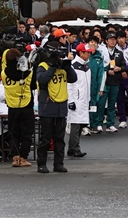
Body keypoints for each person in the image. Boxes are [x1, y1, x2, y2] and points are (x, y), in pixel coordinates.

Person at [36, 41, 78, 174]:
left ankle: (58, 163)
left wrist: (67, 67)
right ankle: (41, 163)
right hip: (47, 107)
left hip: (61, 107)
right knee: (45, 138)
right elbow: (42, 80)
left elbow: (73, 78)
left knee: (60, 138)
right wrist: (52, 66)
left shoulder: (62, 66)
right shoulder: (42, 66)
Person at [2, 48, 34, 168]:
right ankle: (23, 158)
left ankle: (15, 158)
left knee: (13, 133)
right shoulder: (28, 73)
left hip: (12, 106)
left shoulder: (4, 73)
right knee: (26, 133)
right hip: (26, 105)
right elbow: (33, 85)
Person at [67, 43, 93, 158]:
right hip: (76, 100)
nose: (89, 54)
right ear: (81, 53)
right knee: (75, 125)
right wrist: (71, 100)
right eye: (87, 52)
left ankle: (72, 147)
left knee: (81, 124)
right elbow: (69, 85)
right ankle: (75, 148)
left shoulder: (86, 66)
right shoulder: (73, 66)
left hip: (83, 100)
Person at [99, 33, 125, 132]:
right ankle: (99, 123)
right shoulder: (102, 51)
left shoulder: (119, 52)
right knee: (101, 104)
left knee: (112, 104)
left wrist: (120, 68)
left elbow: (124, 66)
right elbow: (100, 66)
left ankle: (110, 124)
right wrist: (107, 71)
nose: (113, 41)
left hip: (115, 81)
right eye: (110, 39)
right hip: (104, 81)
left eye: (114, 39)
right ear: (106, 41)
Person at [87, 37, 107, 133]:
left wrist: (101, 88)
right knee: (87, 104)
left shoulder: (99, 58)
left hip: (95, 85)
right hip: (86, 85)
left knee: (95, 104)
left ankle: (95, 124)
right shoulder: (85, 56)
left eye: (95, 42)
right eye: (91, 41)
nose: (93, 44)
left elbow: (102, 74)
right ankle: (87, 123)